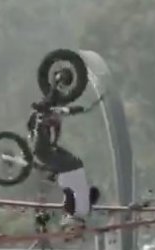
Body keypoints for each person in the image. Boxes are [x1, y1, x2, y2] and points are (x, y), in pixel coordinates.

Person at [29, 73, 101, 228]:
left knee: (49, 148)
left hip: (72, 166)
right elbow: (70, 194)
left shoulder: (82, 209)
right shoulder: (77, 211)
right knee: (45, 151)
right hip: (67, 167)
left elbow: (92, 192)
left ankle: (58, 84)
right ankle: (58, 84)